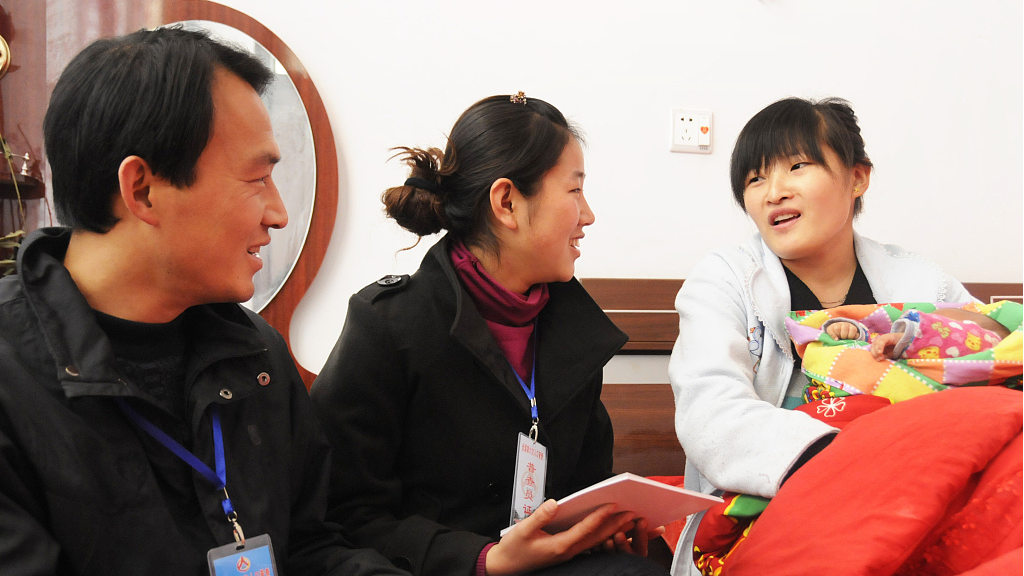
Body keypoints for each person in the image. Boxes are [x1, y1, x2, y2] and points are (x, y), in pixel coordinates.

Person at [0, 27, 409, 576]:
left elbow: (311, 545)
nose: (278, 213)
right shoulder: (13, 376)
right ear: (142, 189)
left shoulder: (251, 352)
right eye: (257, 177)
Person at [310, 93, 667, 576]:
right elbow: (343, 515)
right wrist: (484, 560)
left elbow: (585, 489)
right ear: (507, 202)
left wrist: (607, 528)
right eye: (574, 191)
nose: (588, 216)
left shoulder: (574, 331)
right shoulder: (391, 326)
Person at [666, 97, 976, 575]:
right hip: (767, 515)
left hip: (912, 505)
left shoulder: (920, 282)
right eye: (755, 179)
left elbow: (986, 366)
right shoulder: (725, 279)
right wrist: (850, 459)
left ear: (857, 177)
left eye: (797, 166)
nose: (774, 192)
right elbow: (710, 416)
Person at [823, 306, 1009, 360]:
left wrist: (908, 336)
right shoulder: (894, 343)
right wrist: (854, 332)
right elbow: (875, 342)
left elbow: (948, 339)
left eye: (937, 323)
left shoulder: (988, 344)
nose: (928, 320)